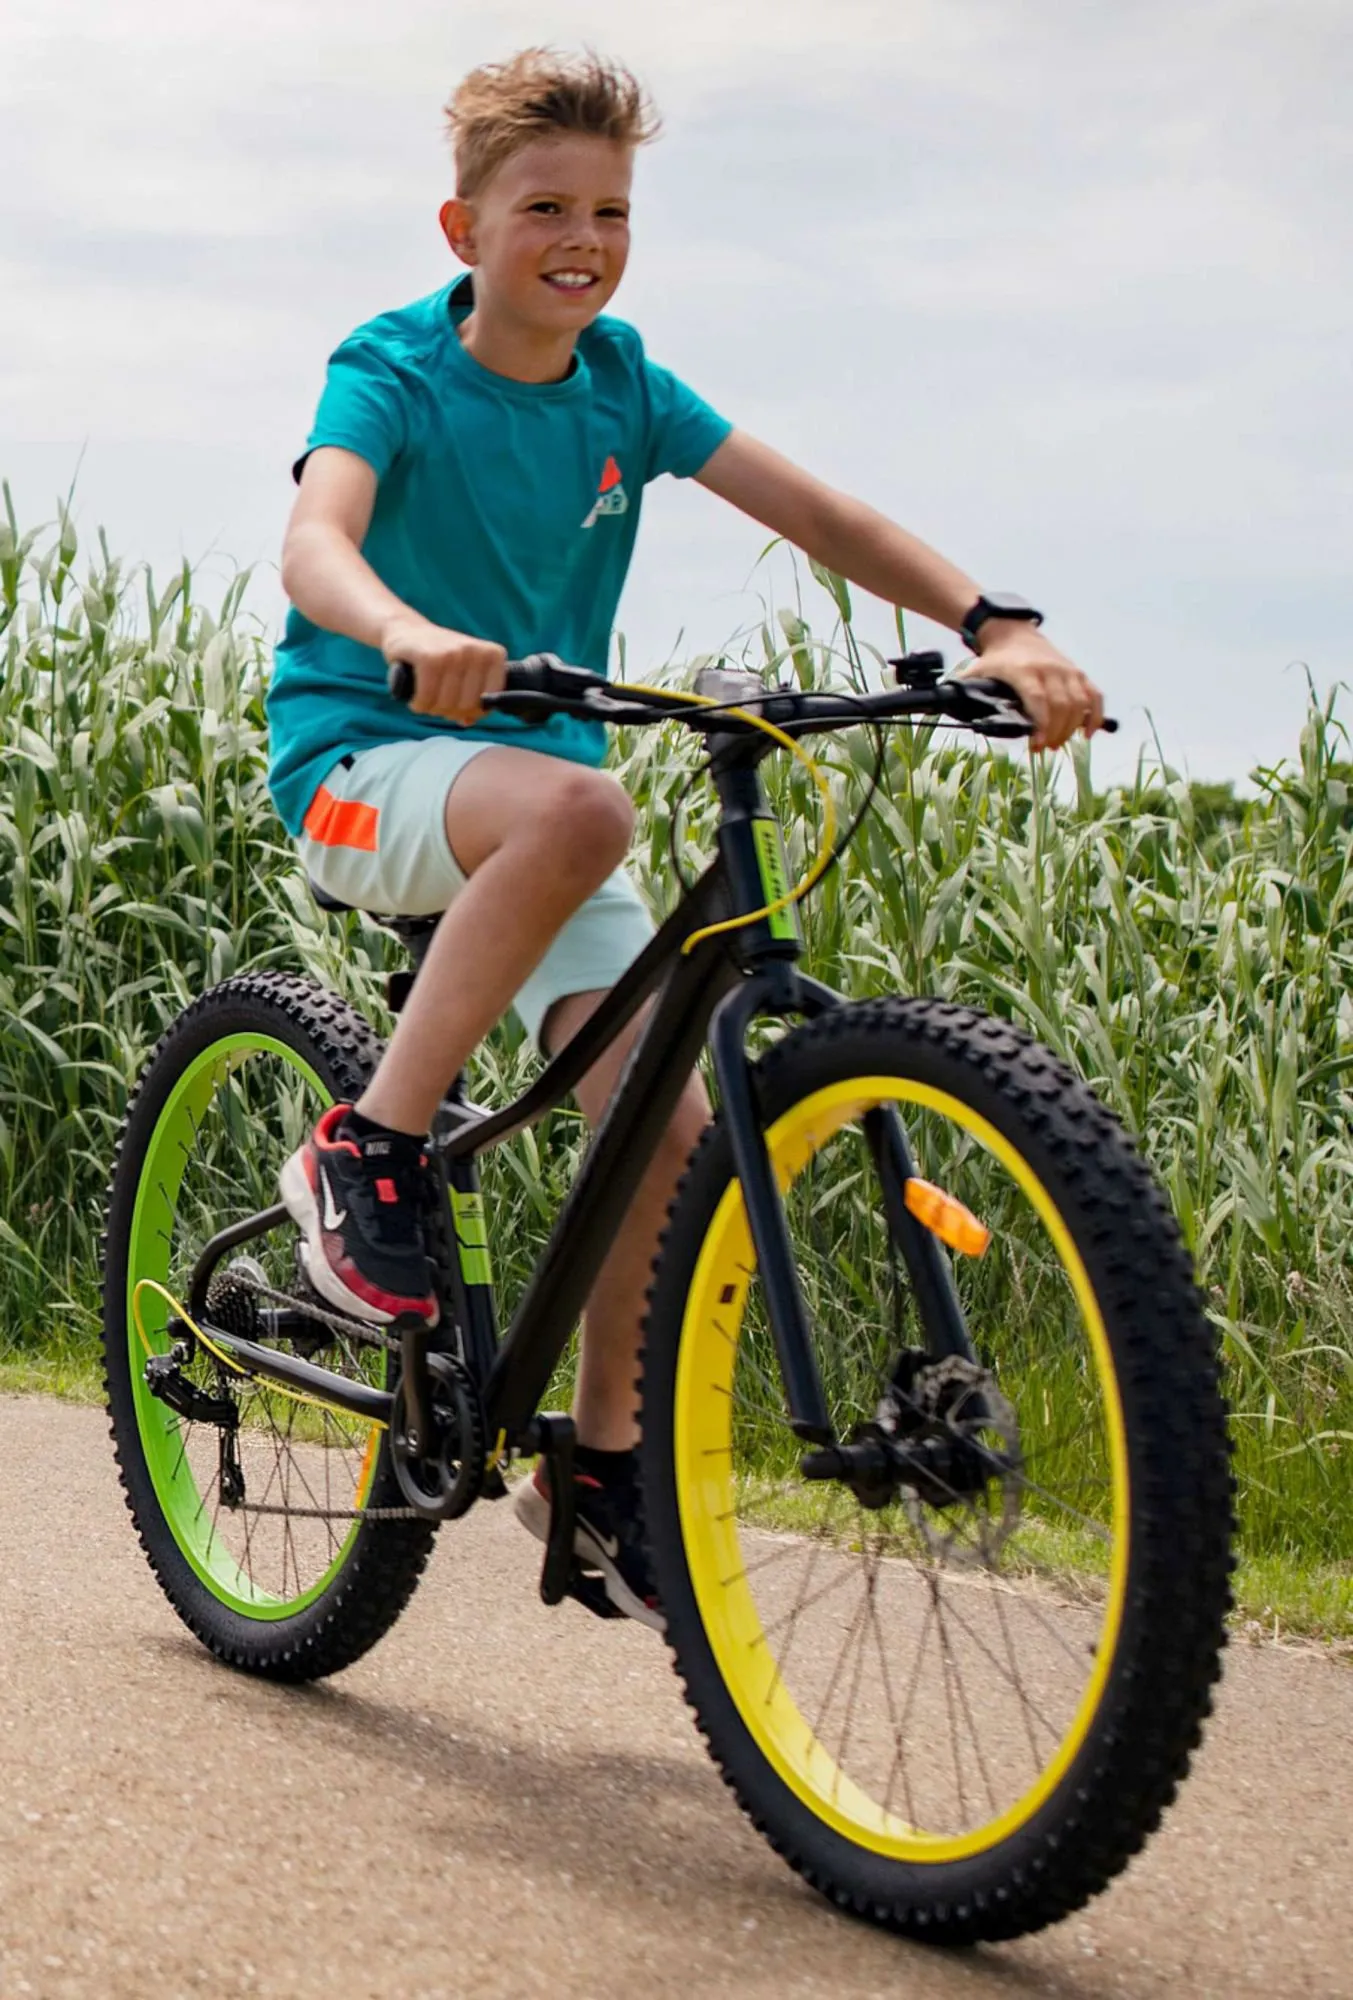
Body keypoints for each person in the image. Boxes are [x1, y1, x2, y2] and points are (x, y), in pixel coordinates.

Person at [269, 48, 1104, 1629]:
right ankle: (365, 1148)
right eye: (544, 209)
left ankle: (597, 1473)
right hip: (366, 757)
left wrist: (995, 620)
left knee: (668, 1119)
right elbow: (318, 533)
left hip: (538, 817)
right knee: (585, 801)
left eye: (610, 209)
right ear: (464, 229)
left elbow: (821, 516)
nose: (581, 237)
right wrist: (405, 630)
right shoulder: (390, 368)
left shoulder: (625, 384)